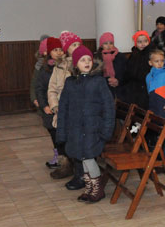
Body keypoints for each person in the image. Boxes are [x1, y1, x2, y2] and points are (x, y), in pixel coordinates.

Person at [56, 45, 115, 203]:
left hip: (93, 129)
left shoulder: (98, 81)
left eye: (89, 59)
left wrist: (106, 131)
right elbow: (63, 109)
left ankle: (97, 189)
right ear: (75, 64)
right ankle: (89, 188)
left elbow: (109, 107)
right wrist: (62, 132)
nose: (87, 62)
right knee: (82, 158)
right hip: (75, 129)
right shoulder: (70, 83)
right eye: (82, 60)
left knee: (88, 157)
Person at [47, 31, 83, 182]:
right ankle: (68, 166)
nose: (76, 47)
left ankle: (80, 172)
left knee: (77, 141)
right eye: (73, 45)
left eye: (78, 45)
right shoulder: (59, 66)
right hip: (62, 109)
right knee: (65, 140)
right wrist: (54, 105)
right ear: (66, 49)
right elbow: (52, 88)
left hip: (77, 110)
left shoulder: (83, 63)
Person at [35, 37, 64, 169]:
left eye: (60, 49)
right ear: (49, 52)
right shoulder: (45, 69)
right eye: (55, 50)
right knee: (54, 133)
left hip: (63, 107)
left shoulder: (66, 67)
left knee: (63, 134)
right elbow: (39, 89)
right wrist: (44, 106)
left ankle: (66, 158)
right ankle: (58, 156)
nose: (58, 52)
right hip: (50, 108)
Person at [119, 30, 152, 109]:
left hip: (145, 85)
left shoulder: (151, 54)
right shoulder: (134, 54)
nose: (143, 44)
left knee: (142, 106)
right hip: (133, 85)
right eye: (139, 42)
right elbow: (128, 69)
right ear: (135, 43)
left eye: (145, 41)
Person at [96, 32, 126, 98]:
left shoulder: (120, 56)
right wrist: (107, 80)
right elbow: (96, 75)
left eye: (111, 43)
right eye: (105, 43)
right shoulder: (98, 57)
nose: (109, 46)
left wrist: (118, 80)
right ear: (101, 45)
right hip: (103, 88)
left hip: (120, 88)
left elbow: (126, 72)